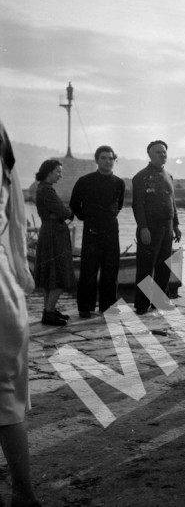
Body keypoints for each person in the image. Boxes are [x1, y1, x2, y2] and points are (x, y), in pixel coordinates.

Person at [0, 121, 41, 507]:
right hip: (5, 293)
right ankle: (23, 493)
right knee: (7, 401)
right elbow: (14, 238)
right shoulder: (8, 175)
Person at [69, 146, 125, 318]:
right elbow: (74, 204)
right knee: (88, 270)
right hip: (91, 230)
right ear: (97, 160)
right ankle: (85, 308)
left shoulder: (119, 183)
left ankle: (107, 307)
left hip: (111, 230)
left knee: (111, 270)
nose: (107, 161)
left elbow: (119, 205)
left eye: (110, 158)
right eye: (103, 158)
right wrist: (88, 217)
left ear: (114, 160)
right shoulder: (85, 181)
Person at [132, 140, 182, 315]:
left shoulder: (169, 176)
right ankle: (141, 304)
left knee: (163, 267)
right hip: (149, 228)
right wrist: (143, 228)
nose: (162, 155)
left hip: (167, 227)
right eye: (158, 152)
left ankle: (159, 301)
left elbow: (172, 202)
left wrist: (176, 225)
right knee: (146, 267)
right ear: (150, 155)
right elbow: (138, 205)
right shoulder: (140, 177)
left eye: (164, 152)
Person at [33, 159, 75, 326]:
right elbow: (64, 212)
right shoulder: (48, 191)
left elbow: (57, 212)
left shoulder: (41, 188)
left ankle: (48, 310)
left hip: (48, 232)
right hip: (54, 235)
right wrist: (68, 212)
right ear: (49, 171)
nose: (60, 175)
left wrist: (60, 213)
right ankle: (49, 312)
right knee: (59, 274)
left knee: (50, 275)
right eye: (58, 171)